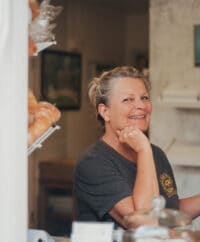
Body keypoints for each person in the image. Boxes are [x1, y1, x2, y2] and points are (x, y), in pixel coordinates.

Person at [74, 66, 200, 228]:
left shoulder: (156, 154)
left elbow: (169, 211)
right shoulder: (92, 163)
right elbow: (144, 222)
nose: (141, 105)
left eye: (145, 98)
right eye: (128, 99)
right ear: (105, 111)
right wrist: (144, 150)